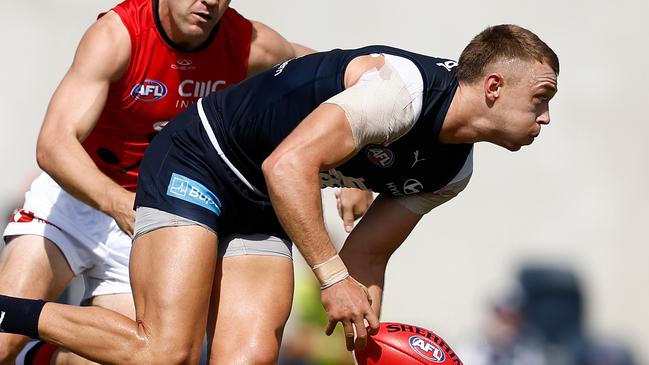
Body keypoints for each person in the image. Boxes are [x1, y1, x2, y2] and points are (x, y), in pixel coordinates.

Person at [0, 24, 559, 364]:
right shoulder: (402, 92)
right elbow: (288, 163)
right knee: (163, 352)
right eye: (540, 98)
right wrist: (332, 279)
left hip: (264, 197)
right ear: (492, 87)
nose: (546, 117)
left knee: (251, 357)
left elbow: (368, 253)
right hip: (200, 157)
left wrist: (368, 348)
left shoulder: (453, 170)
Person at [0, 0, 372, 364]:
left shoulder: (247, 42)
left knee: (133, 356)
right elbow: (53, 144)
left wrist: (356, 165)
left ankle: (39, 357)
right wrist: (115, 202)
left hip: (156, 217)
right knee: (3, 344)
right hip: (79, 200)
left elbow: (332, 76)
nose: (209, 1)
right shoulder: (118, 35)